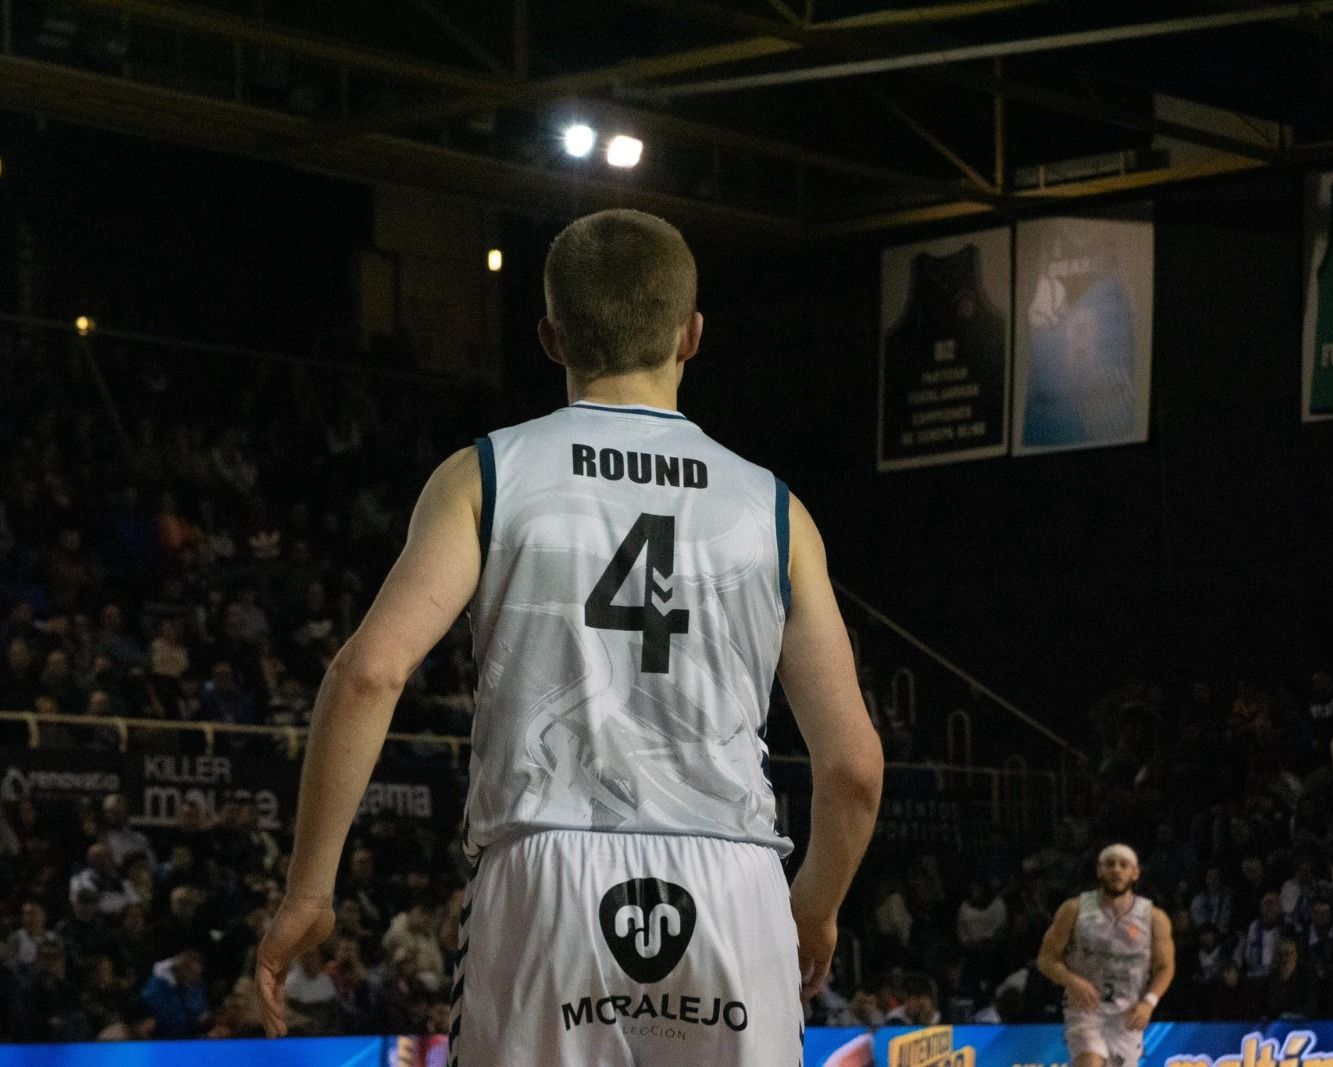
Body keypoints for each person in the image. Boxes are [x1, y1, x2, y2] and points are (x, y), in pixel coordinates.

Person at [255, 209, 884, 1065]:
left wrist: (308, 889)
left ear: (551, 337)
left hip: (547, 863)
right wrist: (811, 905)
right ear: (692, 335)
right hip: (734, 882)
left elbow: (368, 673)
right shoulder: (775, 510)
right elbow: (853, 769)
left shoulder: (489, 471)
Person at [1037, 844, 1175, 1067]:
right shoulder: (1074, 909)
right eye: (1110, 864)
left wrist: (1149, 1003)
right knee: (1089, 1062)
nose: (1116, 870)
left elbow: (1165, 967)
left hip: (1127, 1014)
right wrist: (1071, 980)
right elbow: (1046, 959)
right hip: (1085, 1011)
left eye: (1124, 865)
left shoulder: (1154, 917)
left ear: (1135, 872)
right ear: (1099, 870)